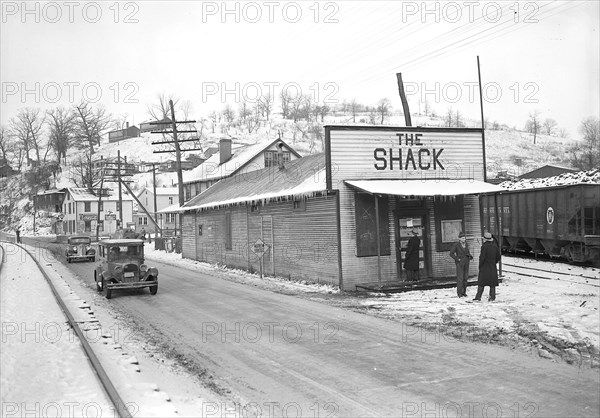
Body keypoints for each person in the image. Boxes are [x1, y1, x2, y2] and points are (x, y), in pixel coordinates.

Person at [474, 232, 501, 302]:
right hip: (492, 266)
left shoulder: (484, 246)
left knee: (481, 283)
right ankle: (492, 297)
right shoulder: (495, 246)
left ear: (485, 239)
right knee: (492, 284)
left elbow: (482, 257)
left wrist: (480, 265)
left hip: (485, 266)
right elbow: (498, 256)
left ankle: (478, 297)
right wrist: (494, 262)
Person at [449, 231, 473, 298]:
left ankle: (464, 292)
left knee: (465, 278)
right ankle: (459, 293)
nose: (464, 240)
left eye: (464, 238)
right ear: (459, 239)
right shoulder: (456, 245)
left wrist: (470, 256)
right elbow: (451, 253)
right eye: (462, 238)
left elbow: (467, 252)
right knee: (460, 278)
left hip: (466, 262)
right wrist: (457, 259)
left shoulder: (466, 244)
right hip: (459, 263)